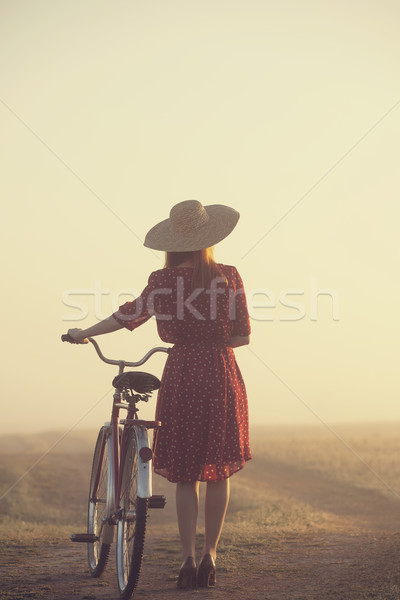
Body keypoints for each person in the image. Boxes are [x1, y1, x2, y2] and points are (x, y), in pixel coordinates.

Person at [67, 199, 251, 589]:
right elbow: (242, 336)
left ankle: (185, 559)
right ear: (209, 238)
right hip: (220, 373)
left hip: (181, 372)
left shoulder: (162, 281)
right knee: (217, 469)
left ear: (172, 243)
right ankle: (210, 557)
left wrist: (84, 333)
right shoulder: (229, 276)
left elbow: (126, 316)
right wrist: (212, 340)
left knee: (186, 474)